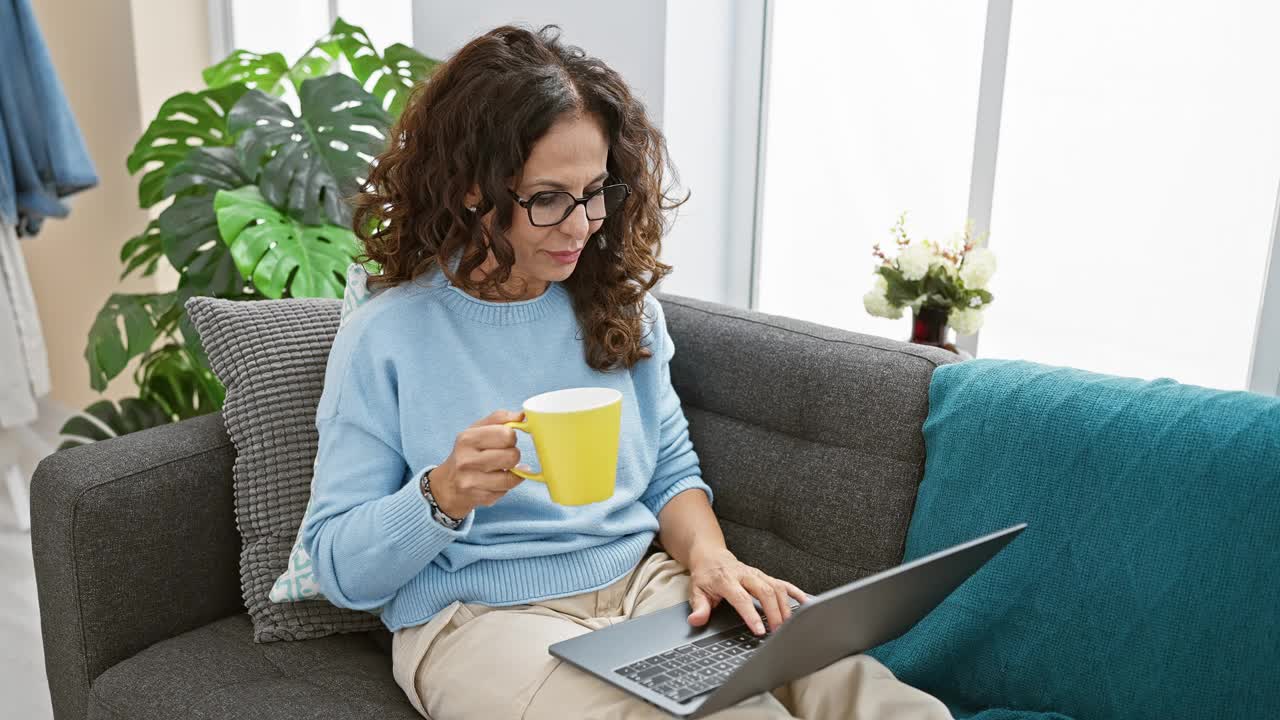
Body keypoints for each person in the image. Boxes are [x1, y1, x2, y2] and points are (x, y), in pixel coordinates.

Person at [301, 24, 950, 720]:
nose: (581, 226)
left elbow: (668, 468)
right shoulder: (389, 335)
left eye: (595, 190)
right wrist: (440, 495)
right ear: (471, 190)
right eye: (547, 198)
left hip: (643, 586)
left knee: (860, 688)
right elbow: (339, 567)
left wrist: (711, 558)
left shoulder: (617, 305)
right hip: (480, 619)